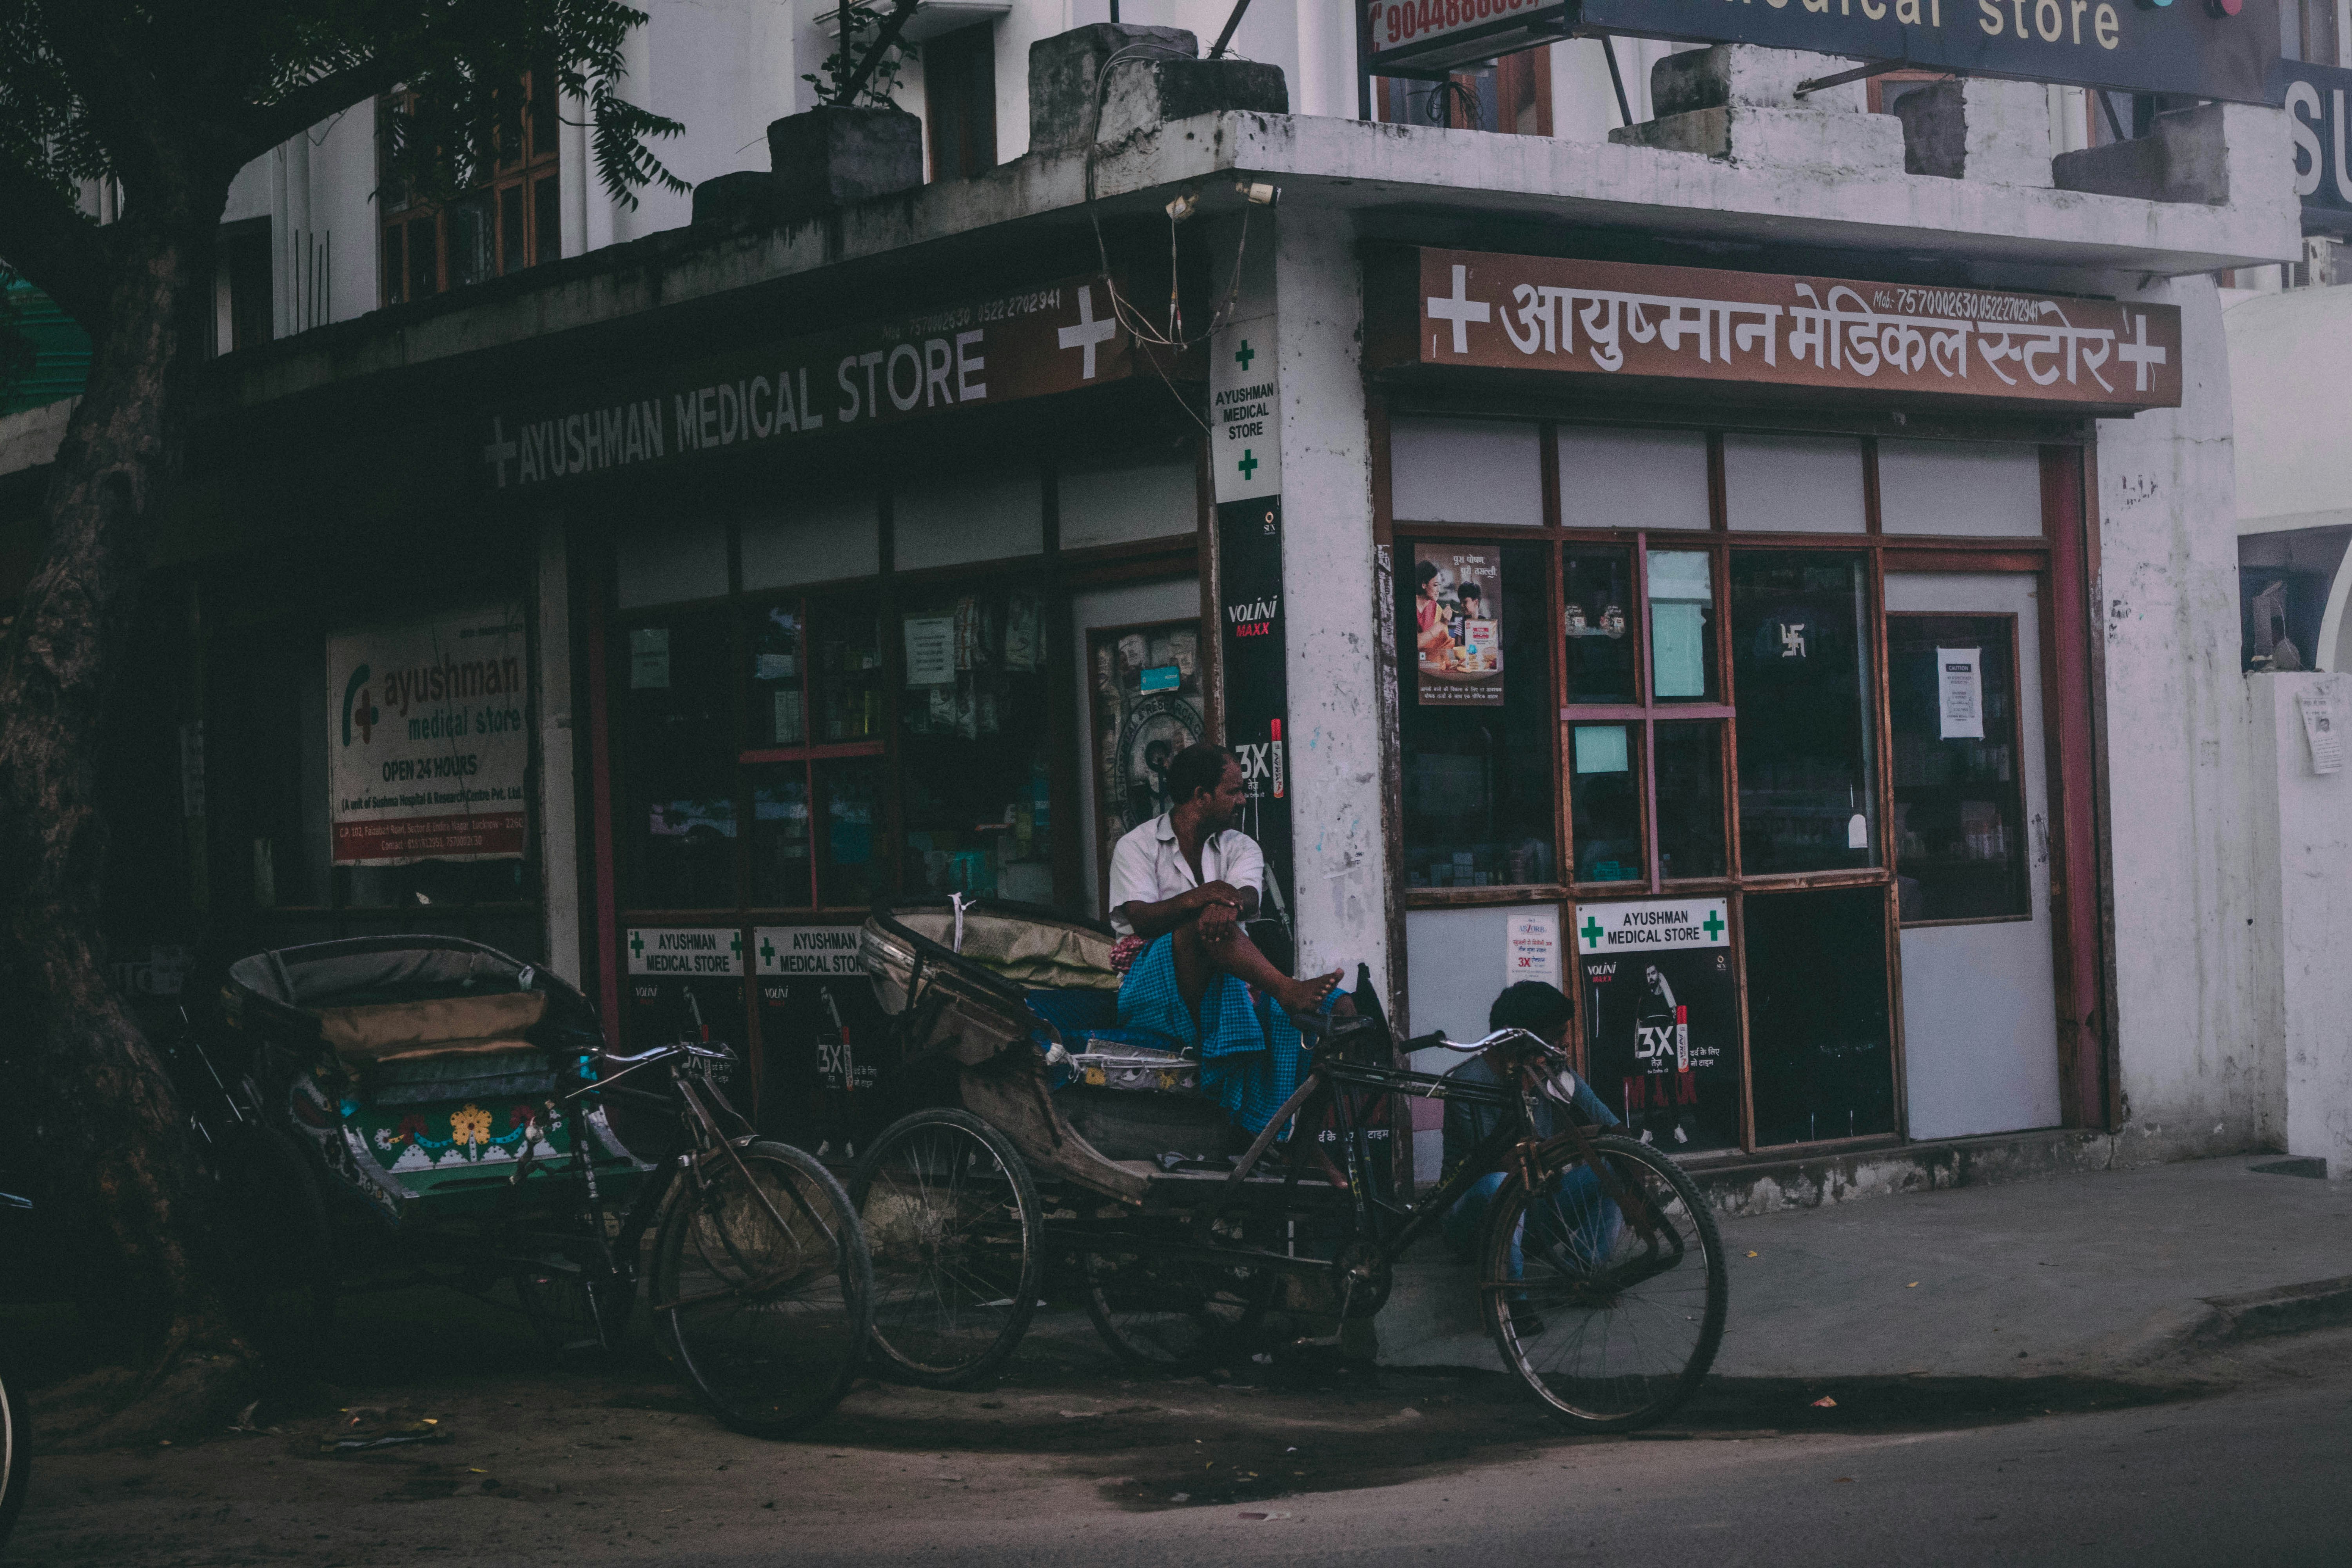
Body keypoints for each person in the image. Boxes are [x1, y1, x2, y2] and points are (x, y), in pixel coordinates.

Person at [1107, 742, 1343, 1134]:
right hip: (1151, 991)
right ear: (1201, 796)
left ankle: (1300, 1142)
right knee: (1200, 928)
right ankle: (1287, 990)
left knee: (1343, 1010)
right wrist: (1200, 898)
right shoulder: (1135, 846)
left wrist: (1226, 903)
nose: (1243, 800)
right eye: (1233, 791)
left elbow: (1249, 896)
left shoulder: (1241, 845)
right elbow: (1143, 920)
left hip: (1232, 981)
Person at [1439, 981, 1620, 1275]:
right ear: (1522, 1037)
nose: (1566, 1043)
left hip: (1535, 1215)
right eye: (1557, 1034)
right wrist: (1524, 1089)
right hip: (1477, 1224)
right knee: (1500, 1183)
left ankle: (1584, 1274)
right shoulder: (1469, 1081)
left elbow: (1612, 1126)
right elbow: (1504, 1164)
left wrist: (1634, 1162)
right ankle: (1513, 1295)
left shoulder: (1553, 1072)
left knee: (1616, 1165)